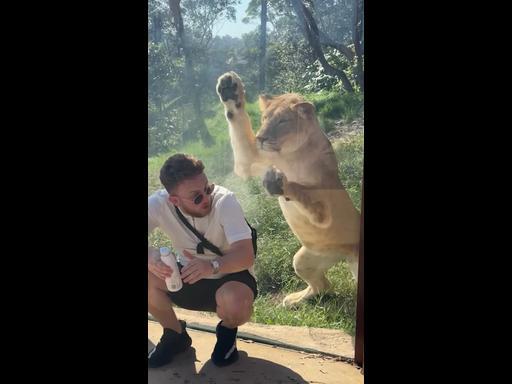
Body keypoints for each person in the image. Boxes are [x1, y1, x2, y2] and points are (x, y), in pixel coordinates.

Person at [148, 153, 257, 368]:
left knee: (235, 304)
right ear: (174, 200)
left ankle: (227, 330)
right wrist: (150, 256)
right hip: (188, 275)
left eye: (207, 188)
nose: (206, 198)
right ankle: (175, 334)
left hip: (231, 277)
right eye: (196, 196)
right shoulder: (159, 204)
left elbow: (246, 255)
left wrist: (211, 266)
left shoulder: (225, 201)